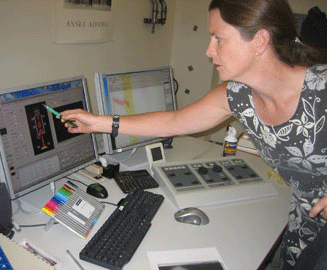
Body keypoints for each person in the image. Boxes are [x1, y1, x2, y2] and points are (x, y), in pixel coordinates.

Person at [61, 0, 327, 268]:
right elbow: (173, 122)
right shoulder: (237, 96)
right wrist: (97, 123)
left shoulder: (322, 88)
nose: (209, 51)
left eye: (218, 39)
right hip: (303, 226)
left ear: (260, 41)